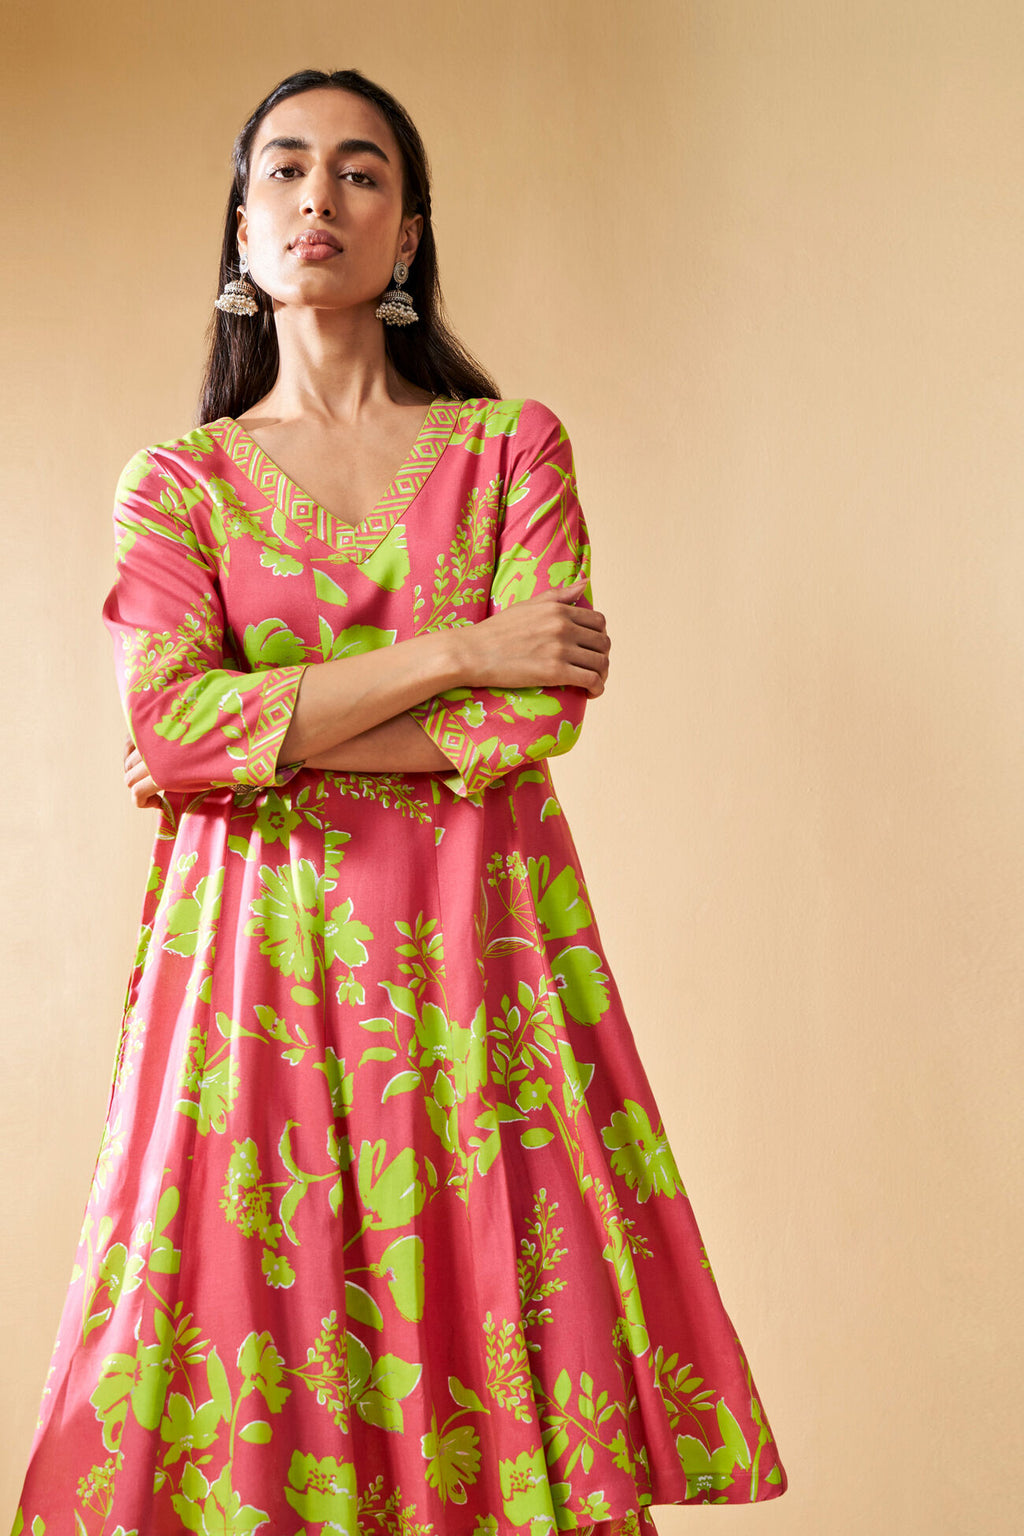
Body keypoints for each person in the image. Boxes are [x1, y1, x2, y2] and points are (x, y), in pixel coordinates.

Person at [12, 67, 788, 1534]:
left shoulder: (512, 450)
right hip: (255, 977)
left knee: (495, 1312)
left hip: (475, 967)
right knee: (260, 1333)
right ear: (242, 231)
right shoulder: (175, 484)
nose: (321, 198)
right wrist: (452, 652)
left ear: (410, 233)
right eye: (285, 171)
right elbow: (169, 724)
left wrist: (271, 732)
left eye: (361, 173)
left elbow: (535, 704)